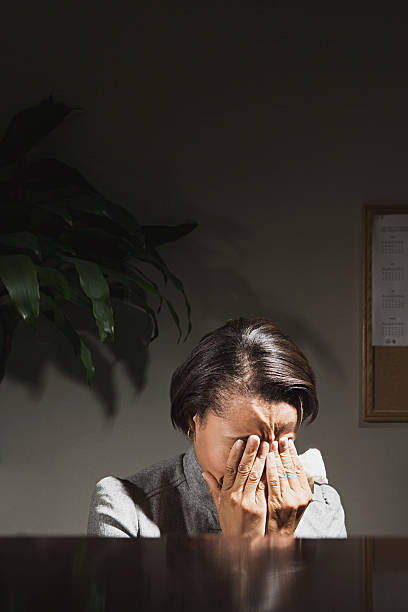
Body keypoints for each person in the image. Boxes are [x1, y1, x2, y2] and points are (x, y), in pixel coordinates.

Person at [87, 318, 347, 538]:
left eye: (284, 441)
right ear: (194, 419)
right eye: (246, 444)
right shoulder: (125, 509)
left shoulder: (323, 506)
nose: (266, 465)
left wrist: (278, 543)